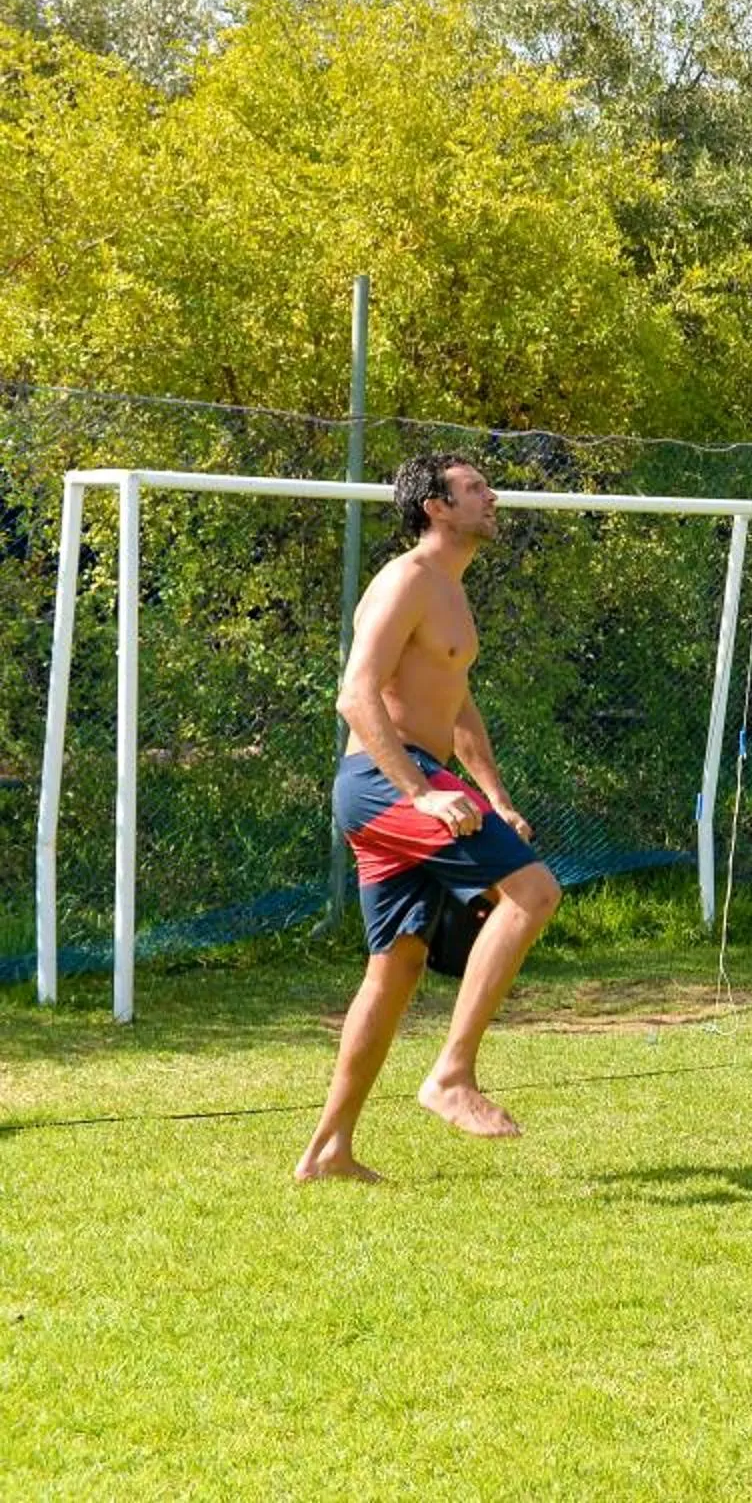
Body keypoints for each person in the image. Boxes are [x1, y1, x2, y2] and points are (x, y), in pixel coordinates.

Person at [294, 453, 562, 1183]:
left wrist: (493, 795)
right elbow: (356, 696)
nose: (492, 496)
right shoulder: (406, 580)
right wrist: (418, 792)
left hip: (424, 780)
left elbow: (457, 704)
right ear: (435, 506)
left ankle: (328, 1151)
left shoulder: (453, 589)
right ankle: (451, 1074)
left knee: (397, 967)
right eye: (475, 488)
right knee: (533, 894)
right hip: (383, 783)